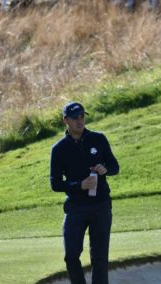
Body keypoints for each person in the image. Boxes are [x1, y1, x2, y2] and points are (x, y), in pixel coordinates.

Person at [50, 102, 120, 284]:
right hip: (76, 208)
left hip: (101, 206)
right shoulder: (59, 149)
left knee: (99, 257)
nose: (80, 121)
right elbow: (56, 184)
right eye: (75, 118)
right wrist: (79, 185)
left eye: (82, 116)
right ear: (66, 121)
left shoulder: (99, 139)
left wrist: (105, 169)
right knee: (71, 255)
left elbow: (115, 166)